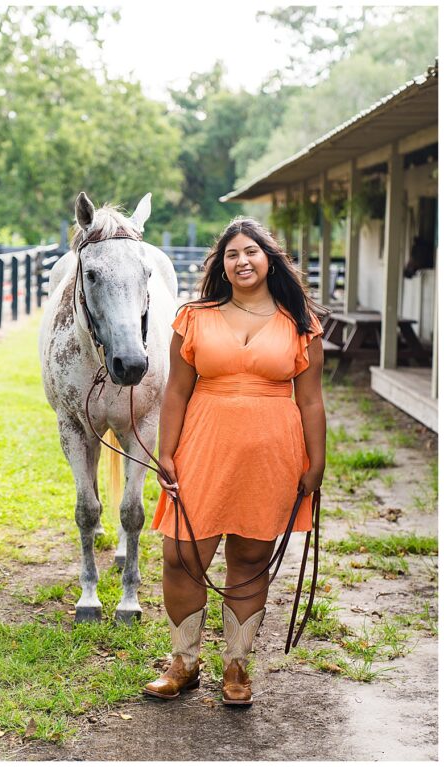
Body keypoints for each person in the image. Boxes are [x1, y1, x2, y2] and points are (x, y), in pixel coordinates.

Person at [143, 217, 325, 706]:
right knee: (182, 555)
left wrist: (317, 462)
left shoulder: (299, 323)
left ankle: (237, 666)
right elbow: (177, 390)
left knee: (249, 559)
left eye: (251, 252)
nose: (241, 261)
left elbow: (310, 400)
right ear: (221, 265)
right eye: (231, 254)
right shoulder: (194, 316)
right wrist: (166, 450)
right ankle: (183, 661)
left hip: (272, 453)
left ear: (269, 259)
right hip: (202, 446)